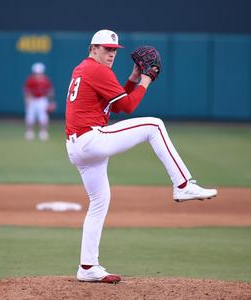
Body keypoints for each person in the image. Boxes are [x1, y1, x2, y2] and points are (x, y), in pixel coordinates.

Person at [64, 29, 218, 284]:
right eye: (106, 49)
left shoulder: (83, 69)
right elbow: (128, 106)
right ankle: (183, 185)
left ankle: (88, 266)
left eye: (114, 50)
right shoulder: (97, 70)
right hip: (91, 139)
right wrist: (146, 78)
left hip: (78, 146)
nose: (111, 54)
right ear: (93, 49)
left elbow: (112, 104)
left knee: (99, 203)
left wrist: (134, 78)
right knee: (154, 126)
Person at [23, 62, 55, 141]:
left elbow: (50, 91)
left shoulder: (46, 80)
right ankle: (29, 132)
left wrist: (51, 101)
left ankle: (43, 132)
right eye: (36, 73)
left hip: (42, 99)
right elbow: (27, 91)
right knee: (30, 117)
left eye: (39, 73)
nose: (38, 74)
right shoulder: (30, 80)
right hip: (32, 99)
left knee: (43, 117)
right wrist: (27, 100)